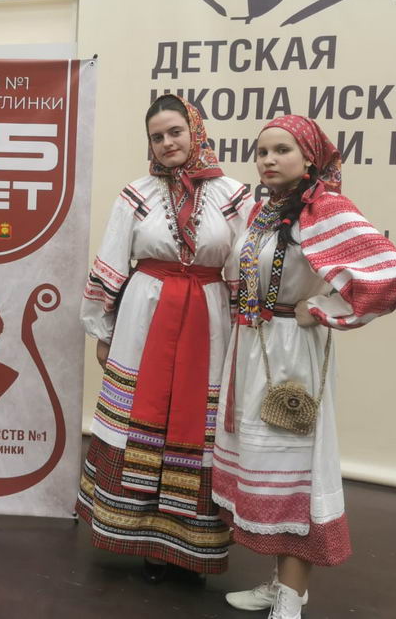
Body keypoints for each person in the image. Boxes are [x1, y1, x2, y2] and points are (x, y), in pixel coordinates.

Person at [213, 115, 396, 619]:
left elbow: (392, 277)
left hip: (291, 352)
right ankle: (281, 583)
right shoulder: (262, 210)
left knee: (294, 473)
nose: (268, 160)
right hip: (252, 348)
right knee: (267, 470)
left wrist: (322, 308)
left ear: (309, 158)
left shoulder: (324, 208)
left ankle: (292, 598)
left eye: (281, 150)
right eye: (262, 152)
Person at [78, 95, 252, 581]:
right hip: (144, 319)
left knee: (197, 423)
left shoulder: (235, 196)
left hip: (208, 322)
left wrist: (245, 335)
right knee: (143, 417)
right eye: (157, 137)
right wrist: (103, 328)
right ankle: (145, 542)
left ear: (196, 131)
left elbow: (243, 268)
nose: (167, 143)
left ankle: (189, 547)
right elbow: (114, 258)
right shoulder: (137, 194)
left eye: (175, 131)